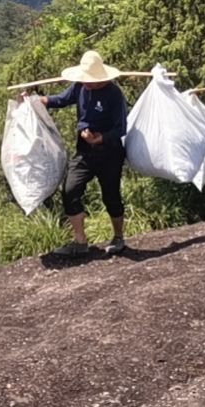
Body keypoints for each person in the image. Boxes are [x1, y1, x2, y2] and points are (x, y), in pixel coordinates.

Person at [35, 50, 130, 257]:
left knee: (111, 195)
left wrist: (101, 138)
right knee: (70, 190)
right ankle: (80, 241)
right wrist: (39, 100)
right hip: (85, 151)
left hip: (110, 152)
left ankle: (119, 237)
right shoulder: (80, 86)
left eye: (91, 80)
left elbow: (121, 127)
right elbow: (60, 99)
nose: (87, 83)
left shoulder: (114, 94)